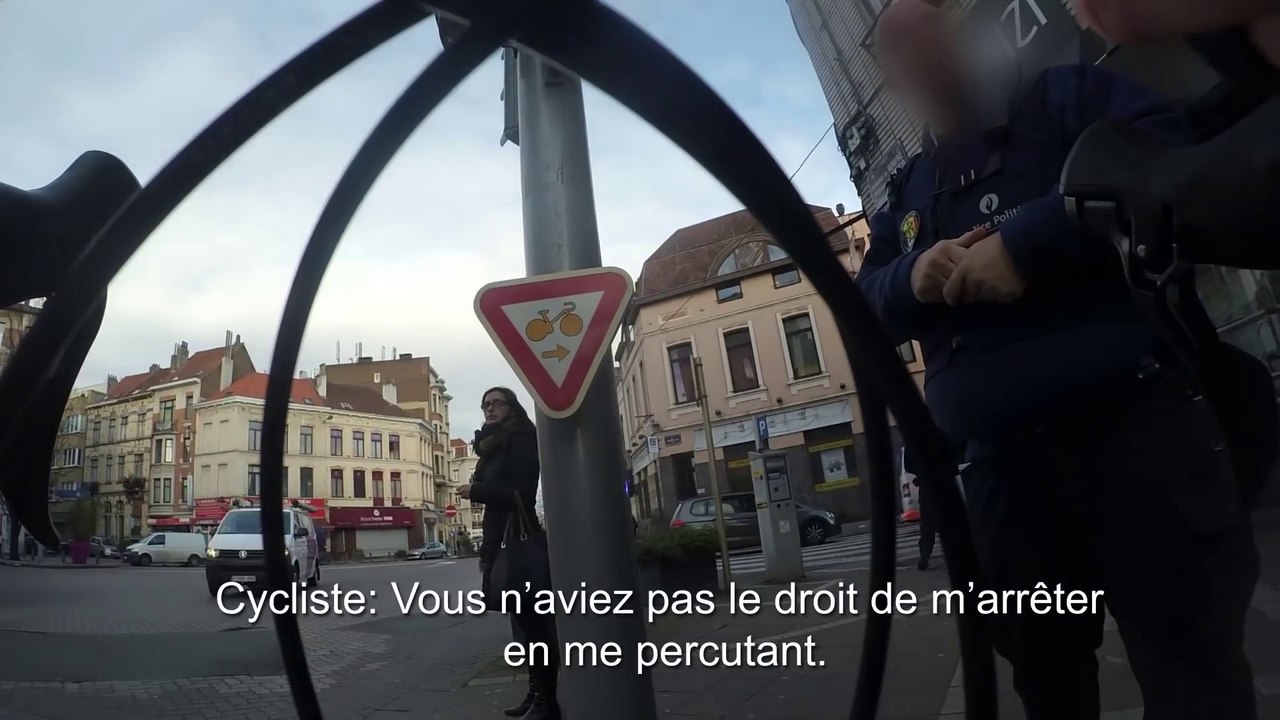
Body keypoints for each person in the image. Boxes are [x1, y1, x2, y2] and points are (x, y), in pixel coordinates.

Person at [857, 2, 1264, 719]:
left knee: (1193, 672)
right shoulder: (911, 189)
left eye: (929, 39)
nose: (922, 62)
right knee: (1047, 684)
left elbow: (1163, 157)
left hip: (1135, 440)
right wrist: (912, 275)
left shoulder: (1063, 97)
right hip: (1004, 477)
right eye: (900, 54)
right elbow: (864, 303)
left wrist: (1027, 244)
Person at [458, 387, 559, 720]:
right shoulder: (493, 443)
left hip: (518, 537)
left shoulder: (519, 438)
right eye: (485, 404)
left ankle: (547, 702)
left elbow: (521, 493)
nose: (489, 409)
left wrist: (476, 490)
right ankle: (535, 693)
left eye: (496, 403)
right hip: (500, 537)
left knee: (535, 626)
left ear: (511, 407)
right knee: (525, 626)